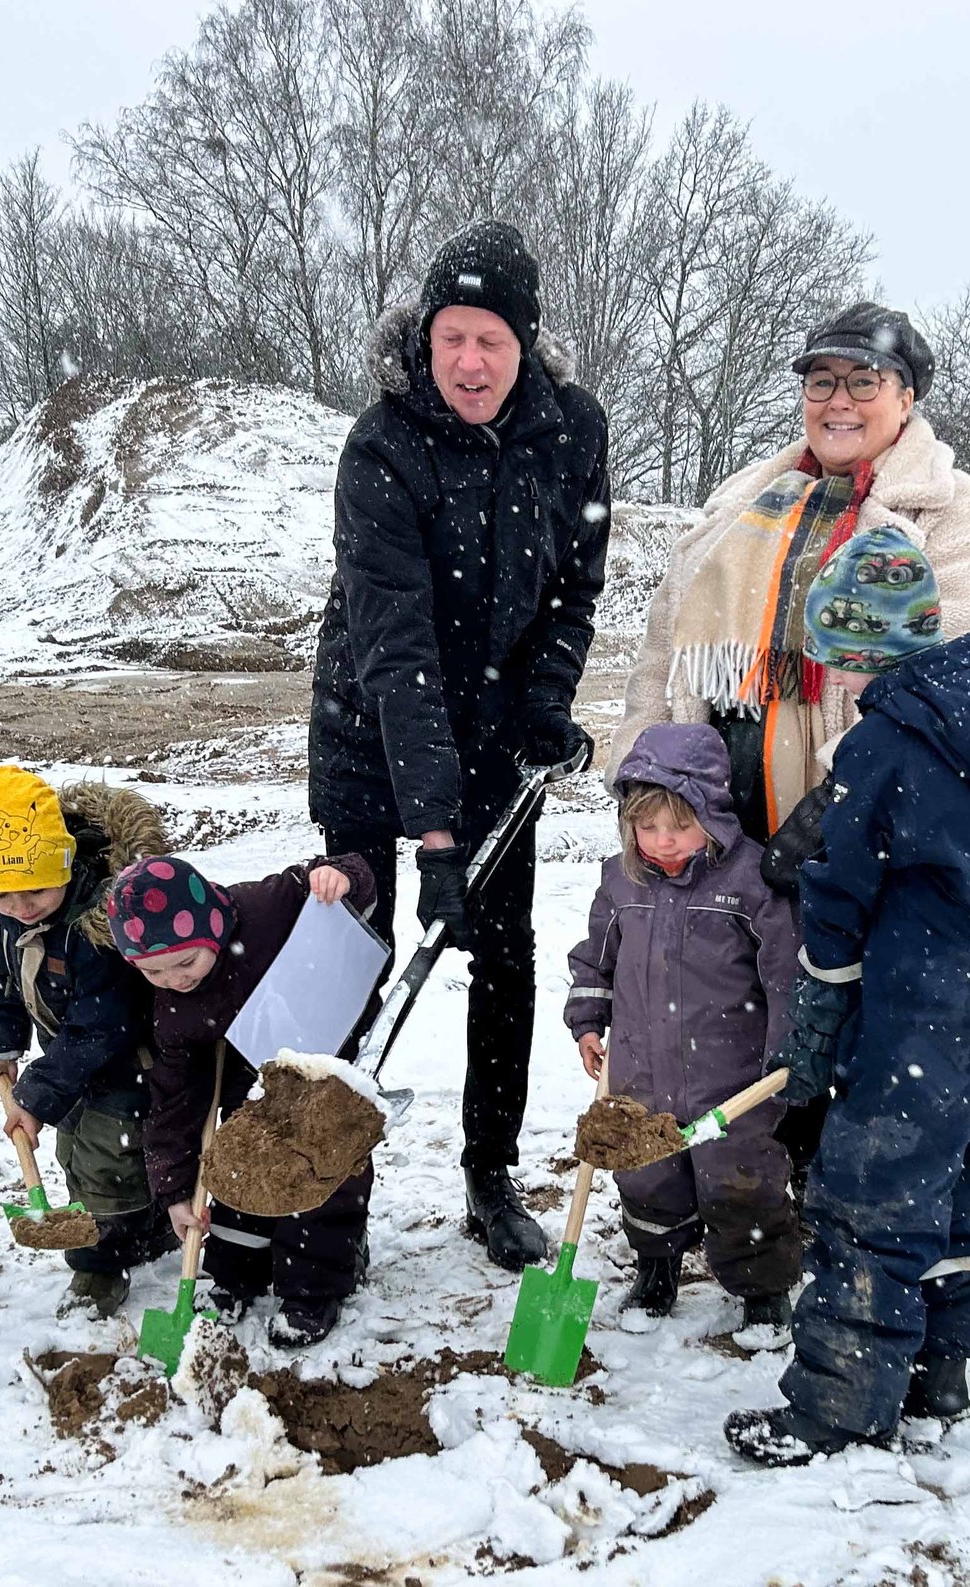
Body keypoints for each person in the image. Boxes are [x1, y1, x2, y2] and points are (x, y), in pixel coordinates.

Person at [309, 219, 611, 1271]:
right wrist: (431, 838)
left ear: (524, 344)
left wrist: (544, 704)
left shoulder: (572, 429)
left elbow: (573, 590)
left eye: (491, 339)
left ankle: (489, 1175)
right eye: (452, 338)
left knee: (503, 958)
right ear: (423, 338)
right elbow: (394, 648)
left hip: (494, 742)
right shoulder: (382, 444)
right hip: (368, 728)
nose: (469, 361)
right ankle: (325, 1191)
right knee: (355, 949)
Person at [722, 528, 970, 1466]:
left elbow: (838, 899)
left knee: (868, 1192)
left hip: (933, 1010)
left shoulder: (882, 744)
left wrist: (818, 1015)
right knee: (948, 1185)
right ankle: (938, 1372)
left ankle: (838, 1406)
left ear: (854, 648)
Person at [611, 301, 970, 846]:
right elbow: (661, 660)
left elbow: (960, 688)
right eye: (822, 382)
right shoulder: (742, 508)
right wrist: (648, 778)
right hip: (713, 832)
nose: (838, 401)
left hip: (858, 832)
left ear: (906, 400)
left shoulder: (950, 512)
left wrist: (847, 800)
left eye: (863, 382)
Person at [562, 724, 801, 1330]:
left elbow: (783, 976)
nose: (663, 843)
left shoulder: (750, 883)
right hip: (641, 1073)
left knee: (742, 1183)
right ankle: (657, 1267)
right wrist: (589, 1021)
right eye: (647, 828)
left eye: (681, 827)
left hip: (734, 1081)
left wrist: (787, 1053)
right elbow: (596, 959)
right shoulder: (622, 882)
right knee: (647, 1176)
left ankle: (760, 1288)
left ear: (714, 816)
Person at [105, 850, 379, 1348]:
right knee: (235, 1167)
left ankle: (312, 1287)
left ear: (211, 925)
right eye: (154, 972)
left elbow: (351, 876)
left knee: (323, 1172)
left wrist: (341, 879)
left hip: (322, 1053)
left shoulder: (267, 906)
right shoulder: (172, 1009)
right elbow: (175, 1101)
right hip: (247, 1077)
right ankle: (235, 1274)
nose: (175, 980)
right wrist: (173, 1191)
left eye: (185, 961)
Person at [0, 765, 170, 1318]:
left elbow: (104, 1024)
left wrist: (35, 1094)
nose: (21, 907)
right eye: (3, 896)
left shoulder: (99, 921)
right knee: (72, 1153)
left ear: (65, 859)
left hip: (127, 1058)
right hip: (70, 1058)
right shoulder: (3, 914)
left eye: (35, 890)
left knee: (109, 1163)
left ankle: (100, 1269)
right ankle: (148, 1229)